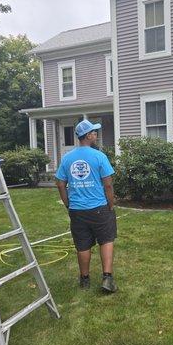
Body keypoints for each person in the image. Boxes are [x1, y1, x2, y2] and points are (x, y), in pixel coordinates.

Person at [55, 120, 118, 293]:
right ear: (88, 136)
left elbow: (60, 184)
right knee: (106, 240)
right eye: (94, 132)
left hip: (77, 211)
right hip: (99, 208)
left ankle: (84, 279)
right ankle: (107, 278)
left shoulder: (67, 158)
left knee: (82, 245)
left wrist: (68, 204)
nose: (96, 135)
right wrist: (110, 204)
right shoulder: (99, 156)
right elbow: (108, 185)